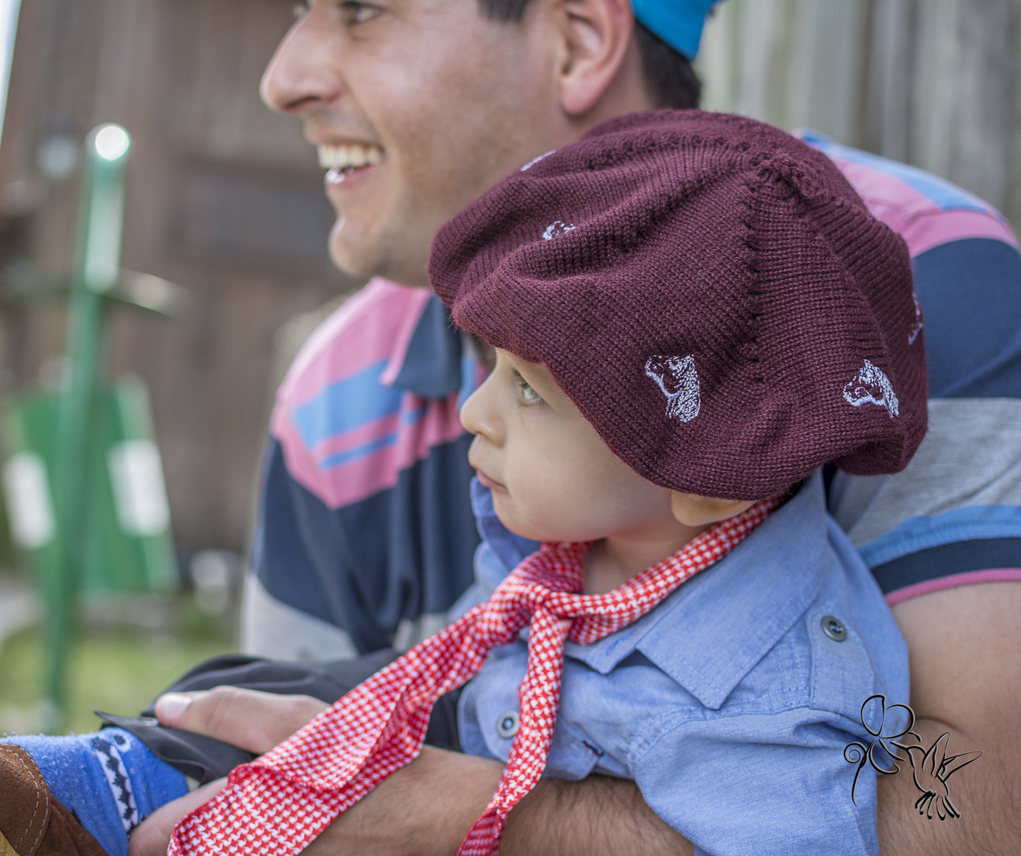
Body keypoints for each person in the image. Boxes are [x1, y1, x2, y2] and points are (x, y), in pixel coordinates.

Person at [0, 110, 927, 856]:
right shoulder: (599, 531)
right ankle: (75, 791)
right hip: (488, 713)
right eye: (488, 369)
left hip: (509, 769)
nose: (474, 412)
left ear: (706, 470)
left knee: (321, 734)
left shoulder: (774, 689)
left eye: (533, 393)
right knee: (267, 686)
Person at [164, 1, 1021, 855]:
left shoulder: (916, 285)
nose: (282, 79)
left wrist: (476, 820)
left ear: (577, 41)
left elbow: (982, 810)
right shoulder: (334, 397)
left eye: (361, 12)